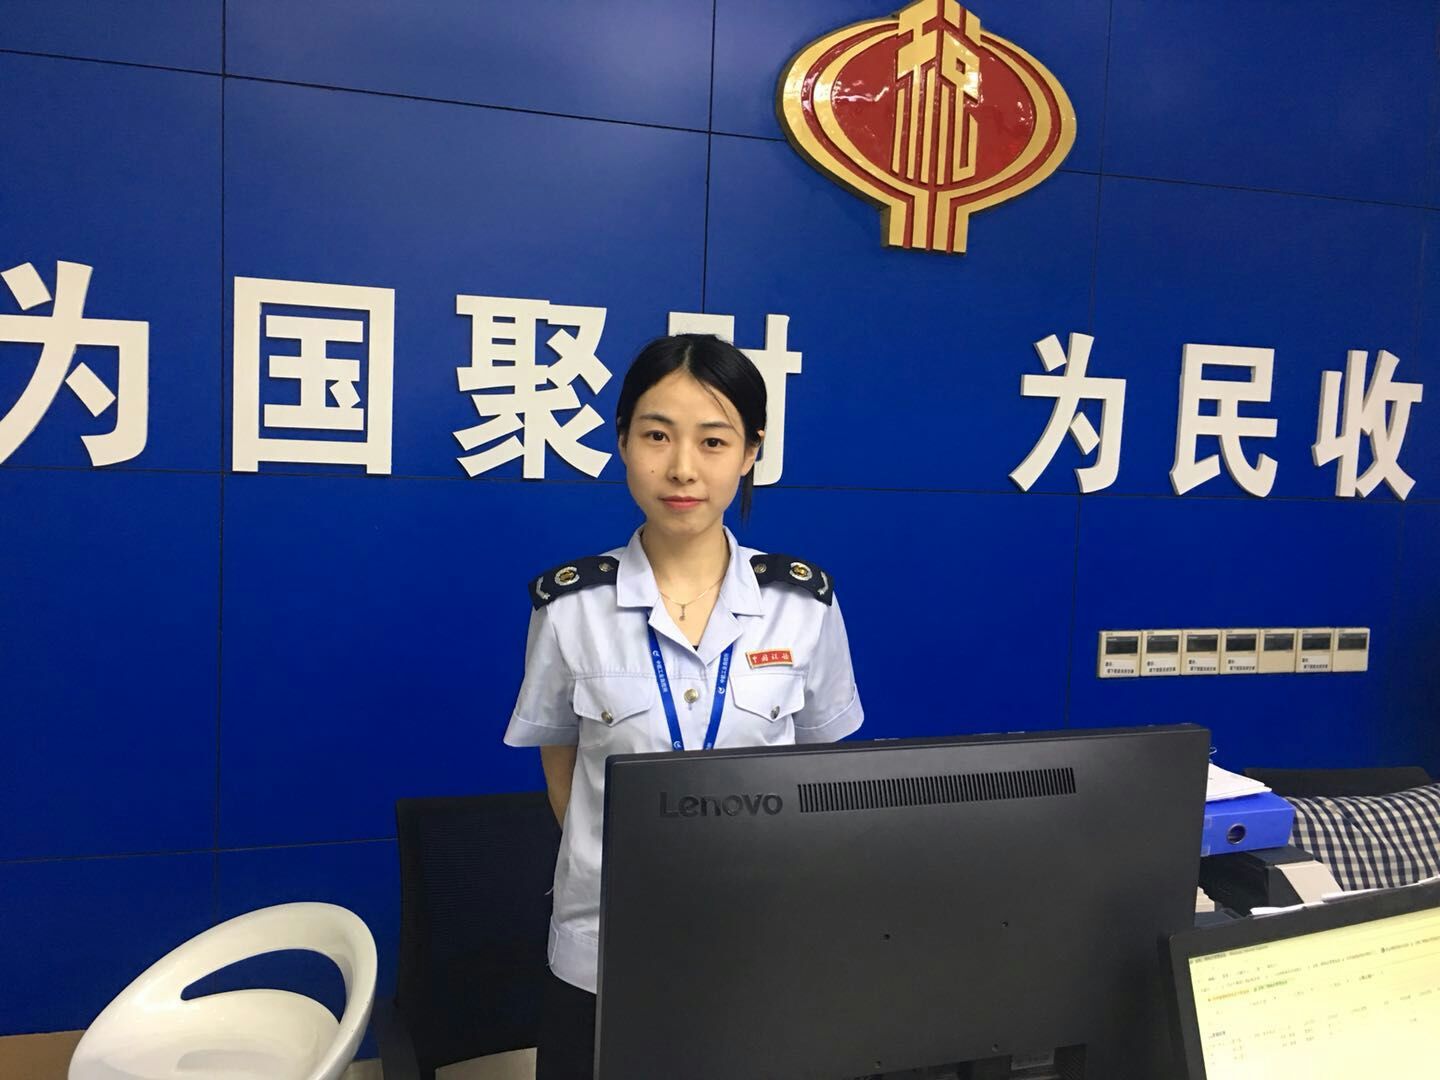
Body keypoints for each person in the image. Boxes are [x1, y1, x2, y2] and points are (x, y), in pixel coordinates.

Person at [503, 333, 864, 1079]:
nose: (682, 468)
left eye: (713, 441)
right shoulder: (570, 607)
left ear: (751, 452)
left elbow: (820, 767)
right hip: (602, 946)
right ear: (622, 442)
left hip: (758, 941)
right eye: (657, 435)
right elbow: (561, 761)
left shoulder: (804, 605)